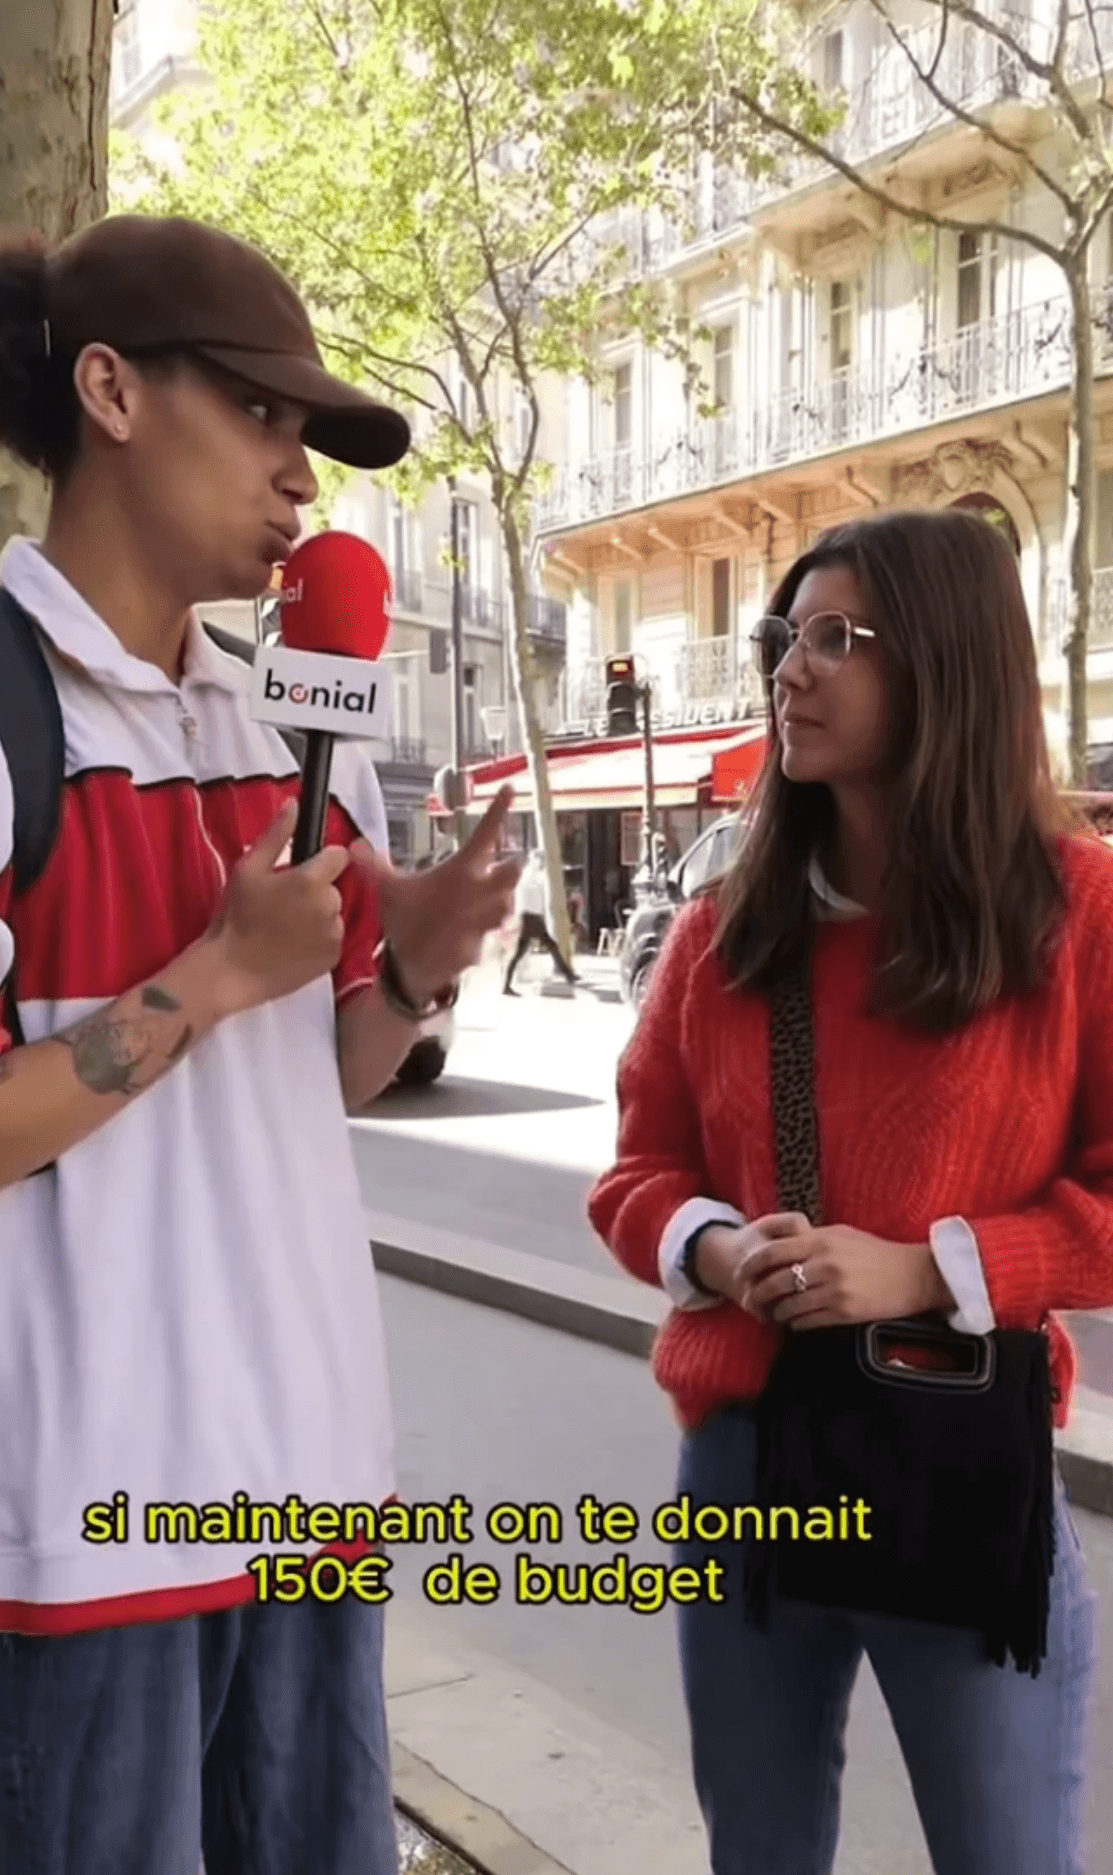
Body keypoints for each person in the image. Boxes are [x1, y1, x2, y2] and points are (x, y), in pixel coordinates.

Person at [0, 214, 520, 1875]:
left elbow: (319, 1088)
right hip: (86, 1539)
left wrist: (412, 974)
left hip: (312, 1504)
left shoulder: (296, 724)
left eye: (308, 436)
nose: (298, 474)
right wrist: (214, 975)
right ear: (109, 390)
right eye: (260, 413)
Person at [588, 509, 1113, 1875]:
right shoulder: (720, 931)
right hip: (746, 1474)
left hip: (953, 1462)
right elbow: (636, 1173)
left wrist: (924, 1264)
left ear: (942, 664)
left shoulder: (1076, 910)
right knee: (757, 1852)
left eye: (836, 638)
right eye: (785, 636)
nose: (789, 670)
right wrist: (712, 1250)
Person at [503, 850, 576, 994]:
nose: (541, 862)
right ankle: (568, 974)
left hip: (531, 916)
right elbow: (527, 896)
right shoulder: (529, 875)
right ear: (534, 860)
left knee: (521, 952)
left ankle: (506, 986)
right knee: (549, 945)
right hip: (530, 917)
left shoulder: (533, 875)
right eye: (539, 859)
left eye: (542, 859)